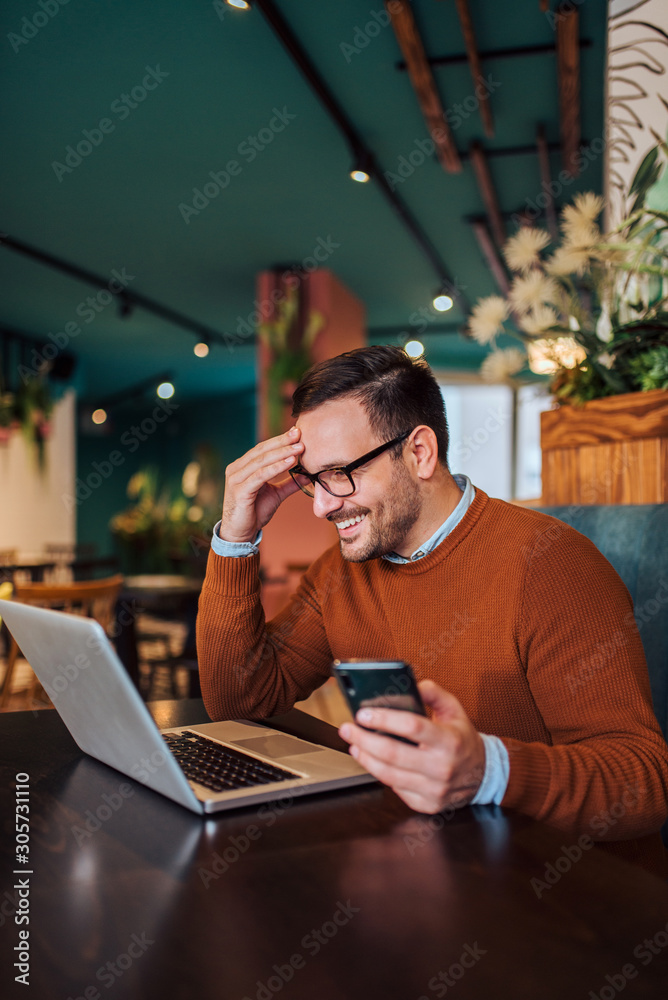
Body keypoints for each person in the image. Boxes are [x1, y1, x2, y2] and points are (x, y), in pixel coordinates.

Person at [197, 346, 668, 875]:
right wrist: (236, 538)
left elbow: (643, 781)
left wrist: (490, 770)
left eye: (340, 473)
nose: (321, 506)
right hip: (426, 867)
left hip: (568, 899)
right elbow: (239, 700)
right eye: (312, 480)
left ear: (420, 452)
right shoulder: (340, 573)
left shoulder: (552, 566)